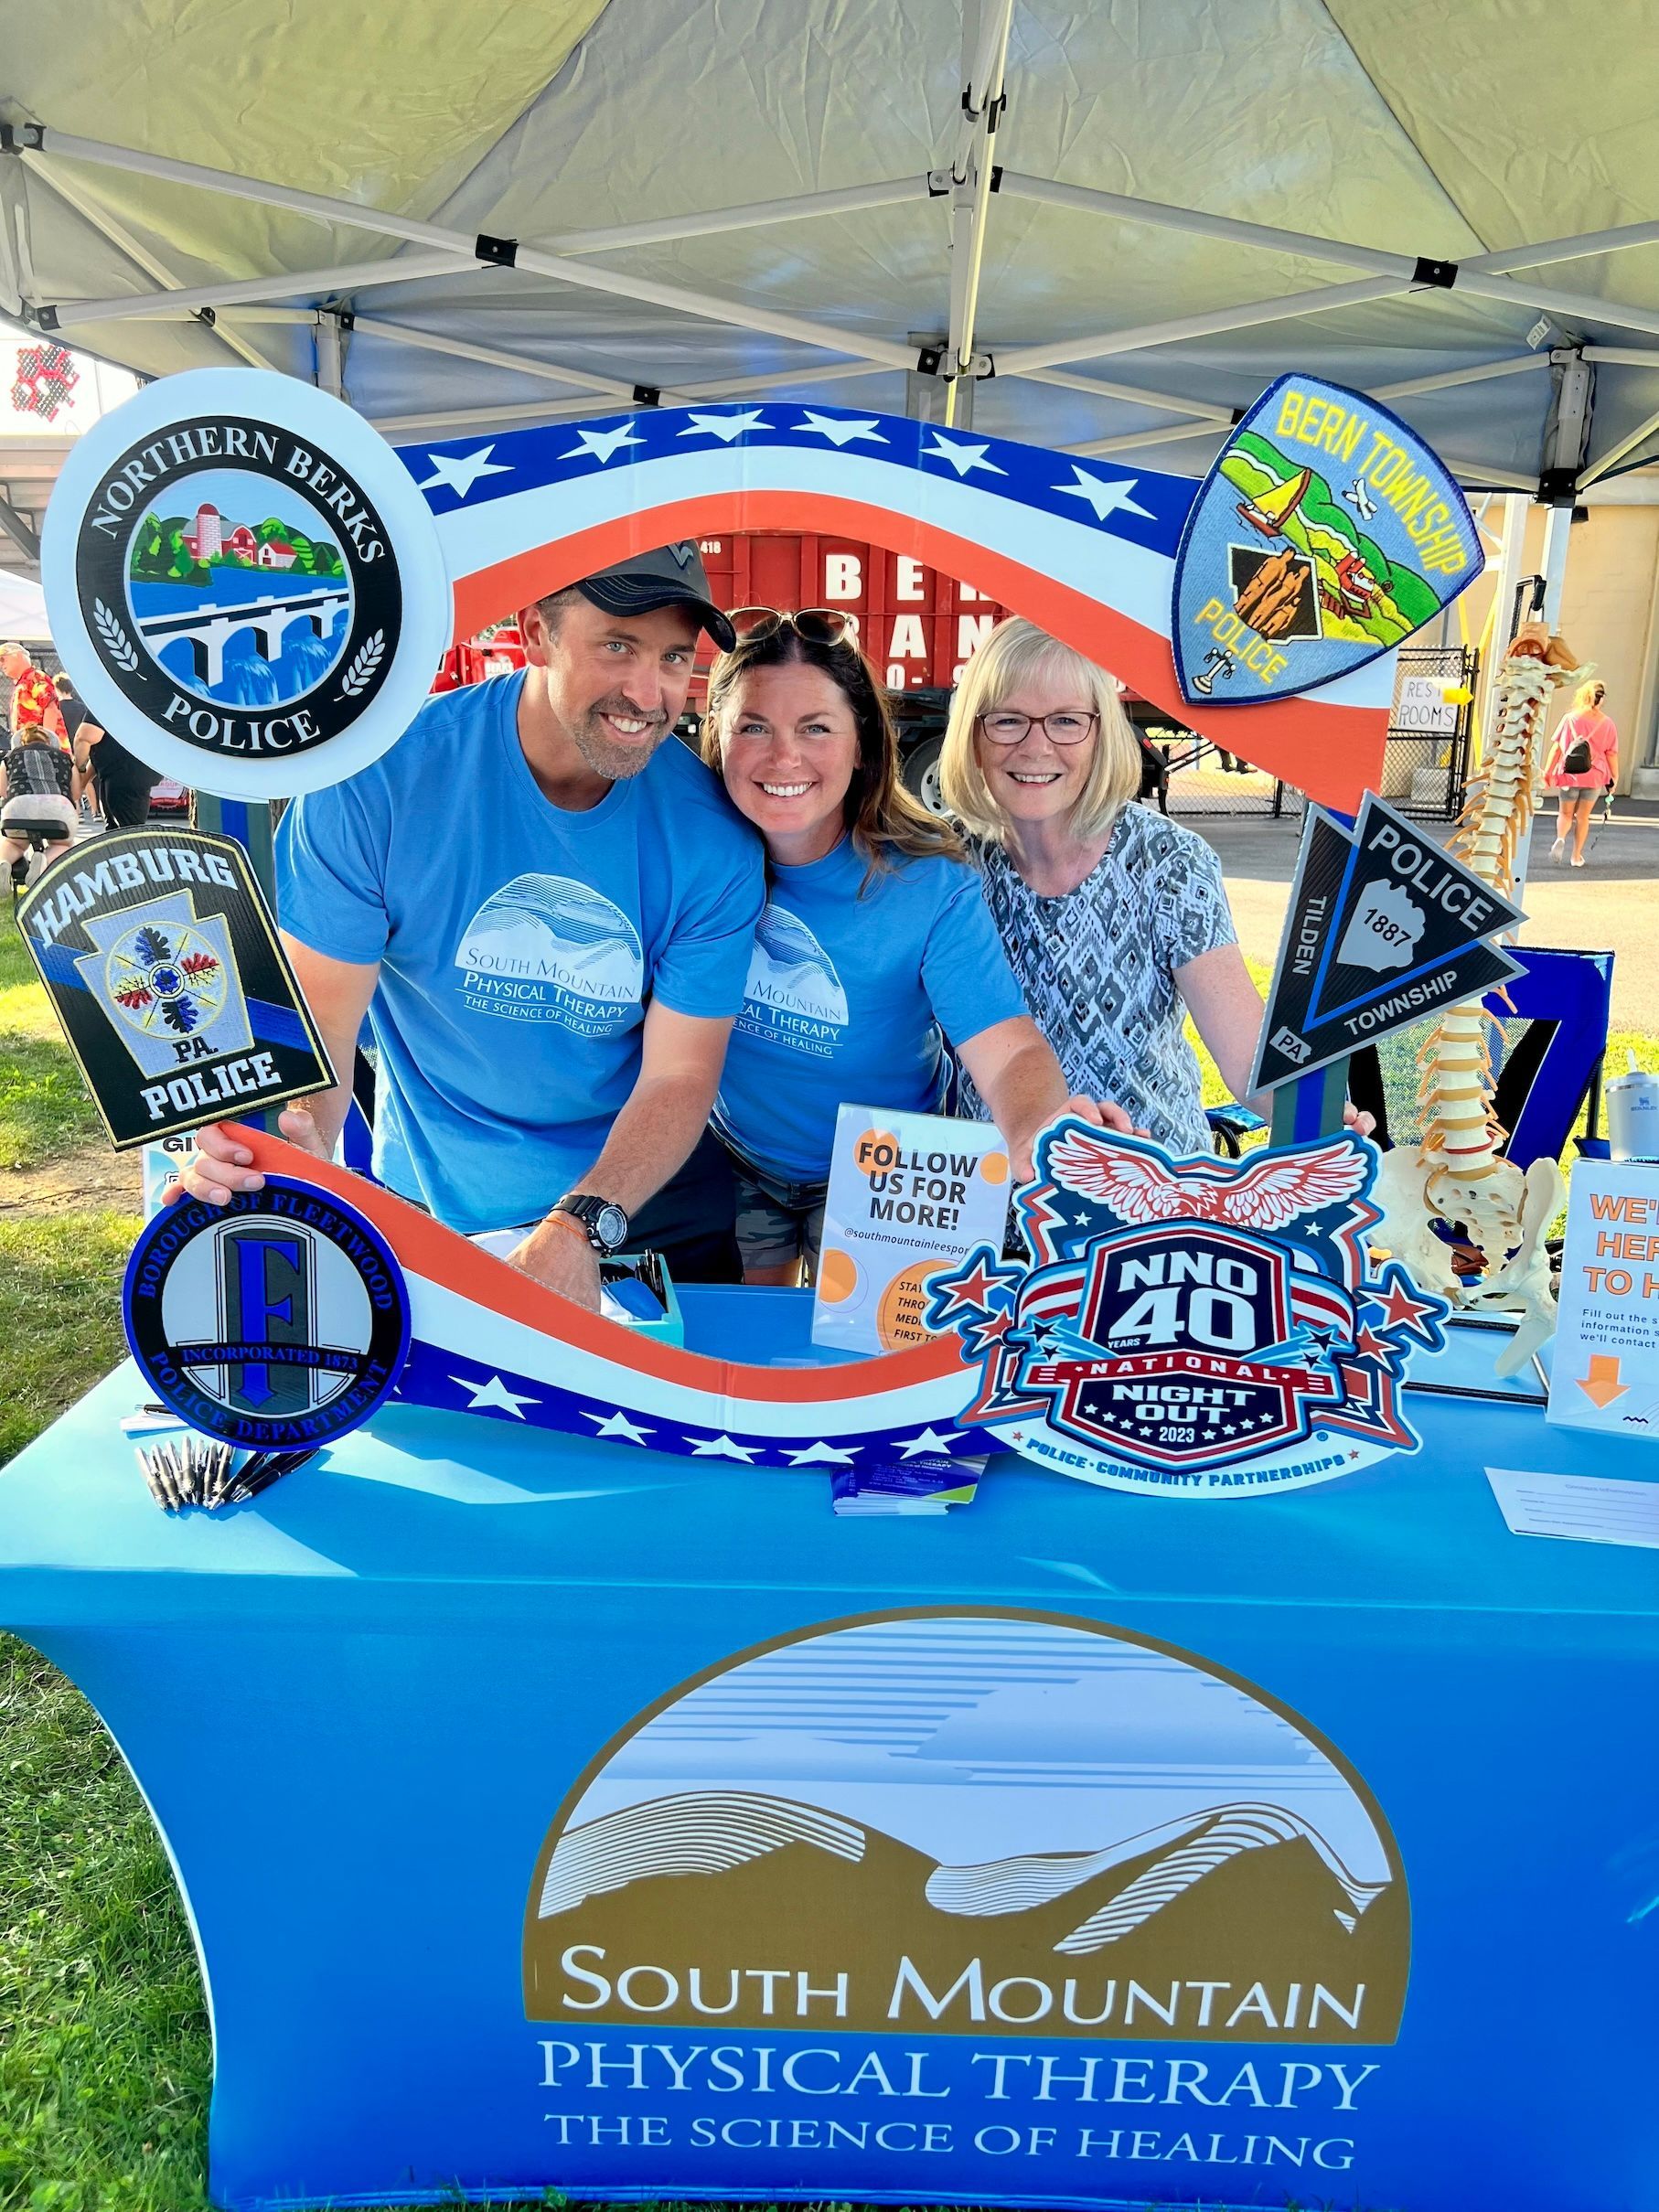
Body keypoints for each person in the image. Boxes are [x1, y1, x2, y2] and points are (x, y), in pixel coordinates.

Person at [174, 545, 765, 1309]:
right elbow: (317, 1026)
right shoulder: (379, 781)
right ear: (534, 633)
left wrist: (580, 1226)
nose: (648, 693)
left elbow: (681, 1074)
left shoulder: (711, 832)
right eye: (617, 645)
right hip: (432, 1209)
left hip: (642, 1215)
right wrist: (278, 1146)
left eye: (675, 657)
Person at [701, 608, 1129, 1283]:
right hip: (737, 1160)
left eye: (816, 727)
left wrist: (1036, 1130)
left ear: (863, 742)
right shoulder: (692, 854)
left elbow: (1008, 1044)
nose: (785, 756)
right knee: (752, 1355)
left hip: (887, 1177)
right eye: (754, 726)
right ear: (718, 739)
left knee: (869, 1377)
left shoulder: (928, 881)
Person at [940, 617, 1365, 1153]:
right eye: (1007, 720)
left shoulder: (1168, 862)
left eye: (1067, 721)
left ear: (1102, 733)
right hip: (993, 1208)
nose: (1035, 746)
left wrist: (1318, 1116)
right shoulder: (945, 866)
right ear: (973, 734)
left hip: (1153, 1204)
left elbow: (1243, 1052)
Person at [59, 672, 158, 828]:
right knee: (121, 827)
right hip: (130, 772)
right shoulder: (131, 701)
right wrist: (83, 781)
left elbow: (84, 737)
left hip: (122, 774)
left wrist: (77, 768)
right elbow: (103, 748)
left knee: (124, 832)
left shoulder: (107, 702)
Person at [1545, 679, 1618, 868]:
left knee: (1565, 813)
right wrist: (1614, 777)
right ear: (1601, 700)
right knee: (1583, 817)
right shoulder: (1607, 723)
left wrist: (1548, 772)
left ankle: (1560, 838)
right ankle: (1576, 856)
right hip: (1594, 775)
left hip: (1570, 774)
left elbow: (1557, 749)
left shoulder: (1570, 718)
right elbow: (1611, 753)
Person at [1, 721, 77, 881]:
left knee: (14, 843)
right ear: (49, 742)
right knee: (61, 844)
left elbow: (3, 790)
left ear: (22, 742)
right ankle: (44, 862)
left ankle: (4, 862)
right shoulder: (65, 757)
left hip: (18, 806)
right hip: (57, 807)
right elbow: (76, 793)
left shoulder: (10, 757)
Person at [0, 642, 66, 746]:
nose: (1, 665)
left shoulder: (35, 678)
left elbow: (51, 709)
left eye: (2, 659)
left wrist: (46, 745)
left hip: (44, 748)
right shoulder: (24, 682)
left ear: (17, 655)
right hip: (33, 746)